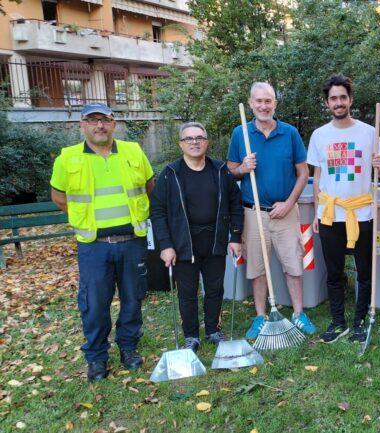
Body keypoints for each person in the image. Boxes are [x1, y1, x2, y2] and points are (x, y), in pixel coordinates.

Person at [50, 103, 154, 381]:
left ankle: (129, 348)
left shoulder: (133, 151)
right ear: (82, 125)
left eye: (105, 120)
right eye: (92, 120)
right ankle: (96, 358)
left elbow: (149, 186)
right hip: (94, 245)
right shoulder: (68, 158)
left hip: (132, 241)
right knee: (95, 304)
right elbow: (58, 196)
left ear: (114, 123)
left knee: (133, 299)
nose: (99, 126)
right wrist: (83, 218)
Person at [227, 82, 316, 337]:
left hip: (286, 212)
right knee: (257, 267)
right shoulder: (240, 134)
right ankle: (260, 315)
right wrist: (243, 168)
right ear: (251, 103)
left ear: (275, 104)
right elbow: (230, 170)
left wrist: (289, 203)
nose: (264, 106)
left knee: (293, 264)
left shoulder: (289, 133)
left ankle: (298, 313)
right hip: (253, 212)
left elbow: (303, 173)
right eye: (259, 101)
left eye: (268, 101)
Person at [307, 74, 380, 343]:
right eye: (334, 98)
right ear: (327, 103)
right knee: (334, 272)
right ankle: (338, 321)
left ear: (350, 99)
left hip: (362, 212)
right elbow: (318, 177)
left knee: (364, 270)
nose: (339, 102)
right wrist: (318, 213)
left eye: (343, 97)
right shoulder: (319, 135)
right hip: (331, 213)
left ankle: (360, 322)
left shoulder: (369, 132)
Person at [150, 122, 243, 353]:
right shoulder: (170, 174)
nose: (195, 142)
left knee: (215, 289)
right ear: (181, 144)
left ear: (207, 142)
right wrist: (165, 245)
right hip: (183, 243)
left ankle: (213, 329)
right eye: (189, 139)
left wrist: (236, 236)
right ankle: (191, 335)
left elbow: (236, 205)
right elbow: (158, 212)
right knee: (187, 292)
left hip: (215, 240)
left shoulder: (221, 171)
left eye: (199, 137)